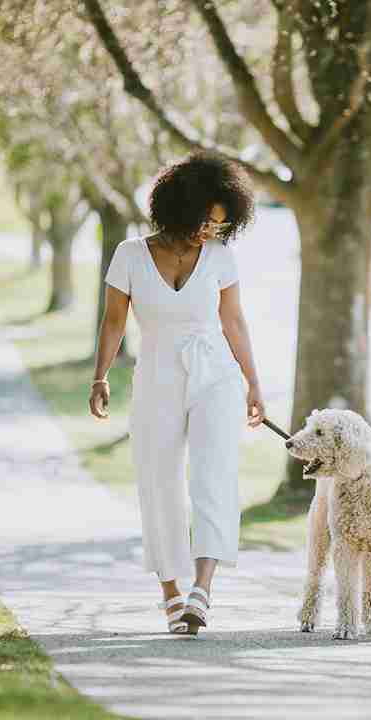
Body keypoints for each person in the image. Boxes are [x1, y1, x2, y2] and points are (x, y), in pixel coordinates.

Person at [89, 152, 265, 634]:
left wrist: (254, 383)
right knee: (158, 479)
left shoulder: (221, 258)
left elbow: (233, 321)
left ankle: (201, 591)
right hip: (157, 373)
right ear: (181, 207)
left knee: (214, 477)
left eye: (220, 224)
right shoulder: (128, 255)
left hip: (216, 377)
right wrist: (100, 376)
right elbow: (113, 322)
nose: (211, 230)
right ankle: (169, 589)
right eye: (206, 220)